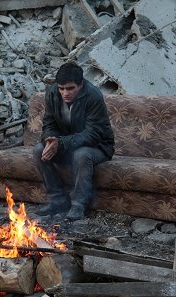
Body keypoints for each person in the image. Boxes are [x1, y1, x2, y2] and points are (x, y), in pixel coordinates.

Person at [33, 62, 115, 220]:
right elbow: (49, 123)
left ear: (81, 84)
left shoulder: (93, 96)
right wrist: (49, 140)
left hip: (98, 146)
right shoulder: (52, 93)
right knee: (38, 150)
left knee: (81, 155)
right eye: (61, 88)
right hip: (66, 144)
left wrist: (61, 143)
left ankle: (78, 205)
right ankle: (57, 200)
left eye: (70, 88)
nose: (65, 93)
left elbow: (93, 133)